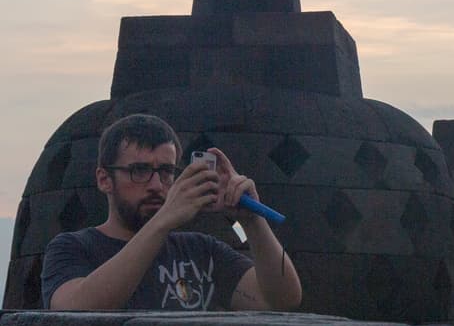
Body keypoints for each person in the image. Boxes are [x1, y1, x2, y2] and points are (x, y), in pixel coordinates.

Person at [41, 114, 302, 311]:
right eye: (139, 171)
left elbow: (281, 300)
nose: (156, 185)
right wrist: (164, 220)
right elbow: (73, 310)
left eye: (166, 172)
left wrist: (252, 221)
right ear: (104, 179)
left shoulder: (201, 251)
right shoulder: (72, 248)